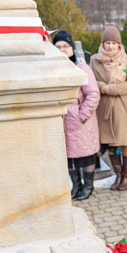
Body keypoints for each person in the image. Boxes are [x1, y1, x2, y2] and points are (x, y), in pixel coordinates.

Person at [54, 31, 100, 201]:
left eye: (66, 46)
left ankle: (88, 186)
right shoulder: (53, 70)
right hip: (62, 122)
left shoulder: (82, 68)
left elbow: (93, 94)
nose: (62, 50)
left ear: (72, 49)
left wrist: (82, 115)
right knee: (69, 157)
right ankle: (76, 186)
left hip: (81, 122)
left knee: (86, 155)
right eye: (58, 47)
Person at [91, 25, 127, 191]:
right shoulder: (95, 60)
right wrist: (103, 87)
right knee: (111, 145)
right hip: (104, 108)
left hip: (123, 108)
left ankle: (126, 177)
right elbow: (91, 81)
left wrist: (112, 89)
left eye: (113, 43)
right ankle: (117, 176)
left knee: (125, 143)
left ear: (119, 45)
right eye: (107, 42)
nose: (110, 46)